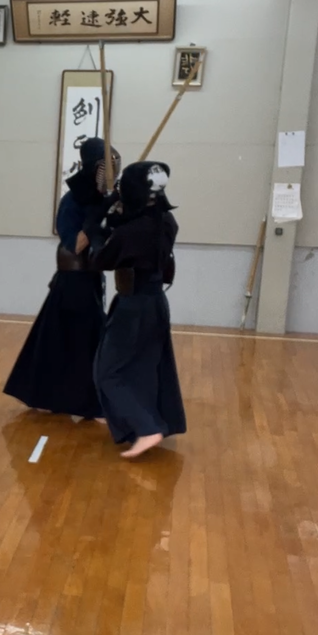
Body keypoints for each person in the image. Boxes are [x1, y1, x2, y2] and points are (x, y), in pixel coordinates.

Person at [3, 137, 120, 422]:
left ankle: (86, 401)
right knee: (66, 343)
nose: (110, 173)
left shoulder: (102, 200)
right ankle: (61, 399)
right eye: (105, 167)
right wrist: (95, 218)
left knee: (84, 343)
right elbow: (75, 245)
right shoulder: (72, 202)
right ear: (94, 167)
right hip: (71, 284)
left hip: (91, 281)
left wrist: (113, 214)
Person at [87, 160, 187, 459]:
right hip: (155, 303)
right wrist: (115, 216)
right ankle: (139, 423)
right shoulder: (166, 221)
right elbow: (135, 228)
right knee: (142, 368)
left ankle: (146, 428)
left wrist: (96, 229)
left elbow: (100, 260)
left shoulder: (134, 231)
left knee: (107, 372)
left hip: (133, 307)